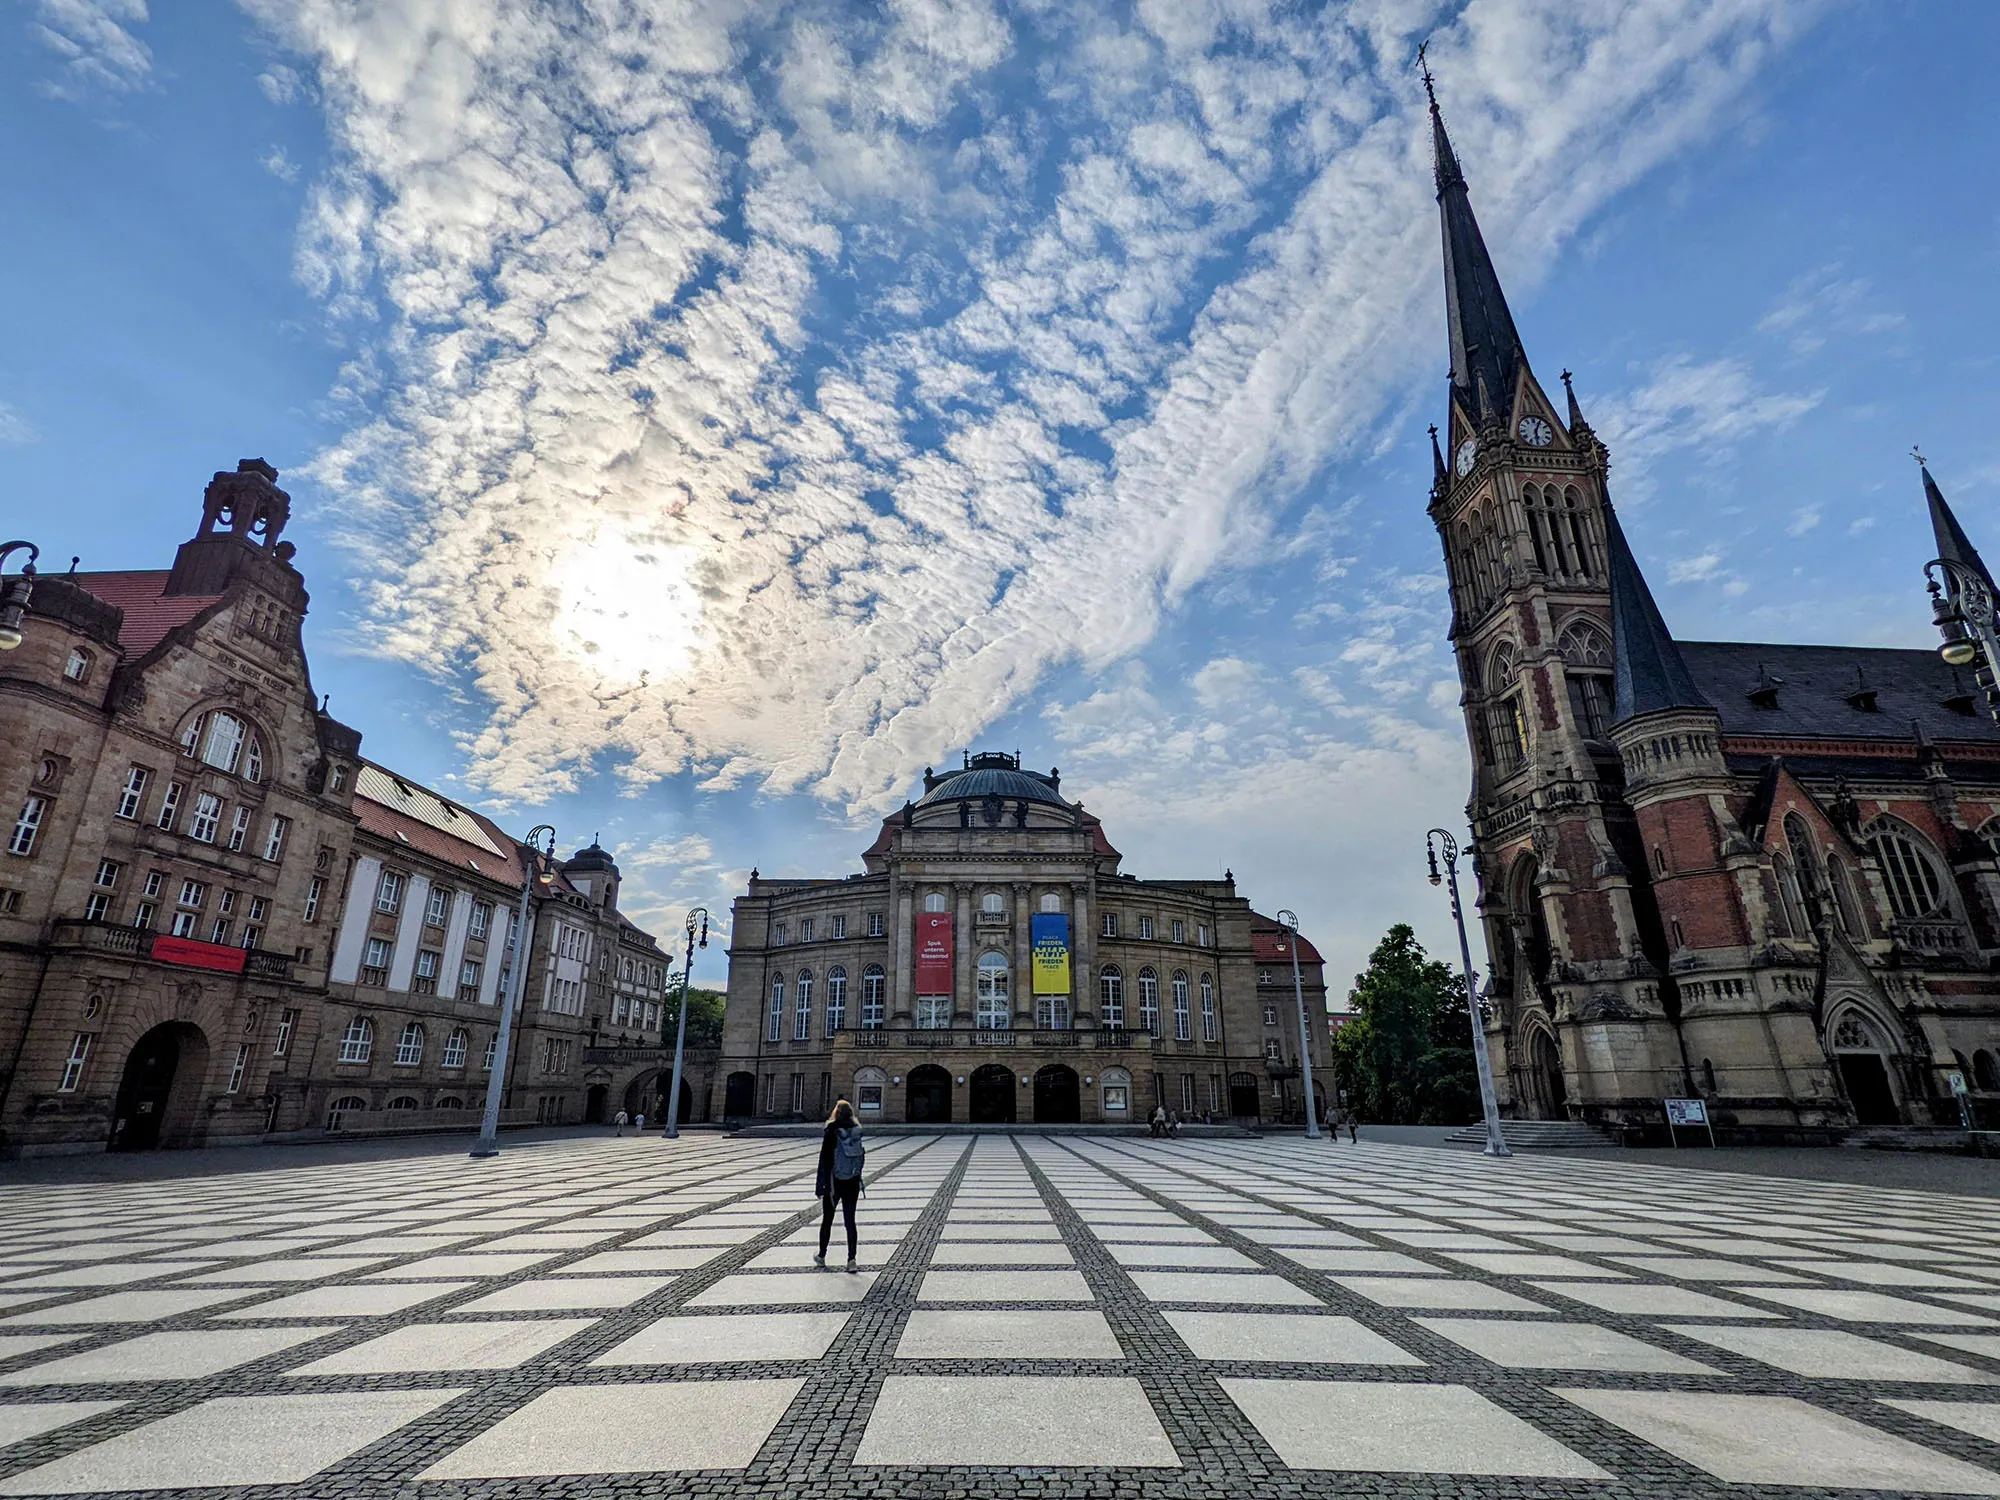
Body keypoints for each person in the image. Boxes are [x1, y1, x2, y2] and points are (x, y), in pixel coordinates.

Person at [814, 1098, 866, 1272]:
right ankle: (852, 1260)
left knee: (827, 1220)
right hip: (852, 1182)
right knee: (850, 1221)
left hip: (833, 1182)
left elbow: (824, 1159)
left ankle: (821, 1255)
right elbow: (861, 1157)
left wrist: (820, 1186)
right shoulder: (856, 1131)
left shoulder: (831, 1131)